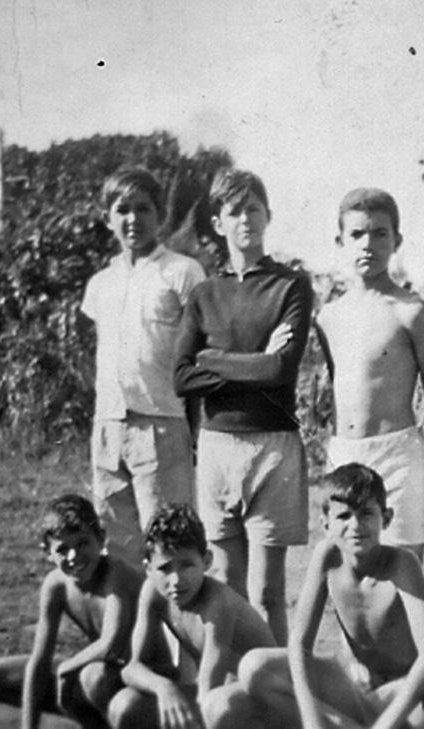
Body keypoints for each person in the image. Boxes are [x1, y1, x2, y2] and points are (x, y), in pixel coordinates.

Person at [173, 168, 313, 644]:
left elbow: (281, 371)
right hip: (216, 447)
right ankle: (232, 692)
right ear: (218, 222)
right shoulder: (203, 294)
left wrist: (212, 360)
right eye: (235, 210)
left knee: (267, 591)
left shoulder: (291, 286)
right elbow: (181, 376)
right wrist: (251, 363)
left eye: (254, 208)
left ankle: (275, 693)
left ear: (268, 215)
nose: (245, 218)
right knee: (228, 587)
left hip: (273, 447)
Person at [237, 463, 424, 729]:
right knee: (254, 666)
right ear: (325, 522)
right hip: (355, 690)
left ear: (385, 518)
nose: (355, 526)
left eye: (366, 514)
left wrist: (385, 724)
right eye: (343, 516)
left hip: (404, 694)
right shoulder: (328, 556)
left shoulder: (401, 564)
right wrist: (311, 720)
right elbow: (299, 645)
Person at [81, 167, 205, 567]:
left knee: (168, 545)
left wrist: (193, 429)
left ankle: (173, 631)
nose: (133, 219)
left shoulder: (183, 272)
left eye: (144, 208)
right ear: (108, 218)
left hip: (161, 423)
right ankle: (132, 631)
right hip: (108, 427)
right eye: (123, 209)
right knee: (118, 549)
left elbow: (198, 356)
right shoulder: (100, 283)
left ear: (161, 215)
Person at [318, 188, 424, 561]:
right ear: (340, 241)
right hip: (344, 453)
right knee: (348, 575)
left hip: (399, 455)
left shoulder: (412, 312)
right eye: (356, 235)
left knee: (403, 572)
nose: (367, 244)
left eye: (379, 233)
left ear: (397, 240)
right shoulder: (328, 317)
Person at [0, 494, 143, 729]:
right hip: (103, 674)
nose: (74, 556)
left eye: (83, 543)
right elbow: (40, 660)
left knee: (93, 677)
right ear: (47, 552)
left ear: (101, 539)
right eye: (63, 549)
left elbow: (111, 645)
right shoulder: (55, 584)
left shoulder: (117, 574)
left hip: (140, 677)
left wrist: (68, 667)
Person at [108, 504, 276, 729]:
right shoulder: (152, 591)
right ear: (149, 569)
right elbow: (132, 668)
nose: (176, 580)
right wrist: (164, 688)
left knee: (218, 708)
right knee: (124, 704)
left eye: (186, 565)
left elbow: (208, 693)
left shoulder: (219, 604)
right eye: (165, 568)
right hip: (216, 698)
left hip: (261, 703)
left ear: (206, 561)